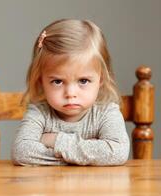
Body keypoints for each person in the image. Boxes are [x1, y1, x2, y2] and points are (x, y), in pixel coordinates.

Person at [11, 19, 129, 166]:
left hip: (97, 188)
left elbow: (117, 152)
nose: (70, 93)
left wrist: (55, 140)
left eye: (83, 81)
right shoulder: (39, 113)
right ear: (40, 81)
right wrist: (91, 153)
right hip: (50, 187)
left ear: (101, 80)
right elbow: (21, 152)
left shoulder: (106, 112)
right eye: (58, 81)